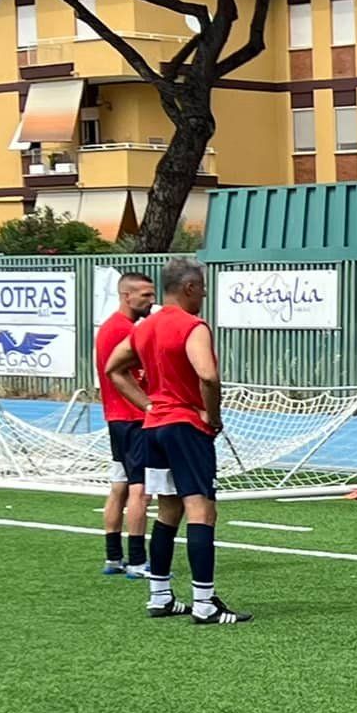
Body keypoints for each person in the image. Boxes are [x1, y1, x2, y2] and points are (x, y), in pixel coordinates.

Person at [100, 259, 250, 623]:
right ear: (188, 288)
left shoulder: (144, 328)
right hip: (185, 427)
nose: (204, 294)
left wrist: (149, 404)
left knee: (168, 510)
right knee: (202, 511)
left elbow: (113, 369)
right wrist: (212, 417)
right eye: (201, 288)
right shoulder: (192, 326)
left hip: (153, 428)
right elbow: (208, 376)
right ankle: (204, 603)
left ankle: (160, 596)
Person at [95, 270, 156, 578]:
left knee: (119, 486)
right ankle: (136, 561)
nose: (151, 300)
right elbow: (123, 374)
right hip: (133, 419)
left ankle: (113, 558)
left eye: (152, 294)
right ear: (126, 295)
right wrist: (149, 404)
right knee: (140, 490)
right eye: (145, 295)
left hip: (117, 419)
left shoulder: (114, 327)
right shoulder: (123, 330)